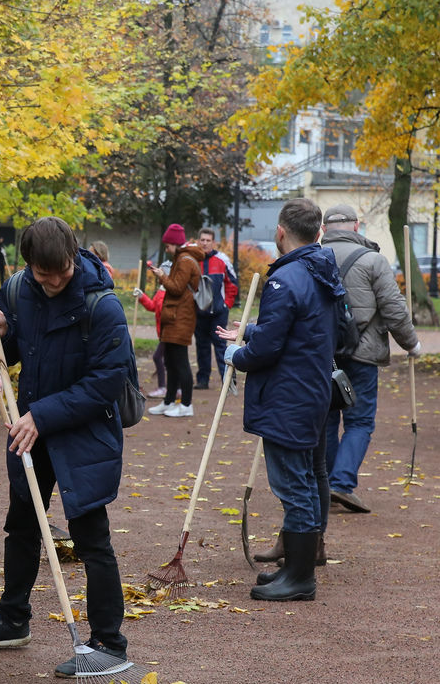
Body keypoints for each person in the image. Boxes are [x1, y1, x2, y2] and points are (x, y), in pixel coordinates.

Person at [0, 216, 132, 679]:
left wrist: (43, 415)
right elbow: (10, 354)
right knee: (22, 527)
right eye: (42, 273)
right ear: (29, 265)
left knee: (93, 538)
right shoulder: (18, 290)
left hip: (83, 435)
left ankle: (109, 644)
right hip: (29, 430)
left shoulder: (102, 305)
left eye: (61, 271)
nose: (52, 281)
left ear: (73, 256)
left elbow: (106, 383)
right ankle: (13, 620)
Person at [217, 197, 340, 602]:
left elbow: (271, 349)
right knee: (302, 478)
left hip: (290, 393)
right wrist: (254, 329)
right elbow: (300, 331)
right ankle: (295, 567)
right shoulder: (320, 271)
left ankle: (301, 576)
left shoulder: (285, 279)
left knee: (293, 484)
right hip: (310, 389)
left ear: (281, 232)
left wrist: (239, 354)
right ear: (318, 233)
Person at [321, 204, 421, 514]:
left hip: (321, 354)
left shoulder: (310, 258)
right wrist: (411, 344)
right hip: (363, 355)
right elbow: (394, 309)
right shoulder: (374, 261)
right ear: (356, 226)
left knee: (324, 420)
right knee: (359, 421)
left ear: (324, 229)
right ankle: (341, 482)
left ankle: (324, 484)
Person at [146, 226, 202, 418]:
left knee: (180, 362)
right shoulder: (181, 258)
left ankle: (186, 404)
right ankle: (168, 401)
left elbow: (177, 288)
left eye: (167, 245)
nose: (166, 249)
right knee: (170, 360)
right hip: (174, 316)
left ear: (174, 243)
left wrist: (162, 276)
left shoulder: (185, 260)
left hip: (181, 317)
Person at [193, 228, 238, 390]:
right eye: (202, 240)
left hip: (218, 312)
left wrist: (227, 304)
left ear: (214, 242)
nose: (205, 243)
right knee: (202, 346)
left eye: (208, 240)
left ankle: (226, 380)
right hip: (198, 313)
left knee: (220, 347)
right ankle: (202, 380)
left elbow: (232, 283)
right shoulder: (192, 259)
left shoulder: (222, 260)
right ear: (198, 241)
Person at [134, 261, 169, 399]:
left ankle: (164, 387)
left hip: (169, 332)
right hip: (162, 333)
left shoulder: (173, 290)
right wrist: (142, 296)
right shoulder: (161, 289)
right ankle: (175, 388)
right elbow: (153, 306)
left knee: (158, 357)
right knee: (170, 360)